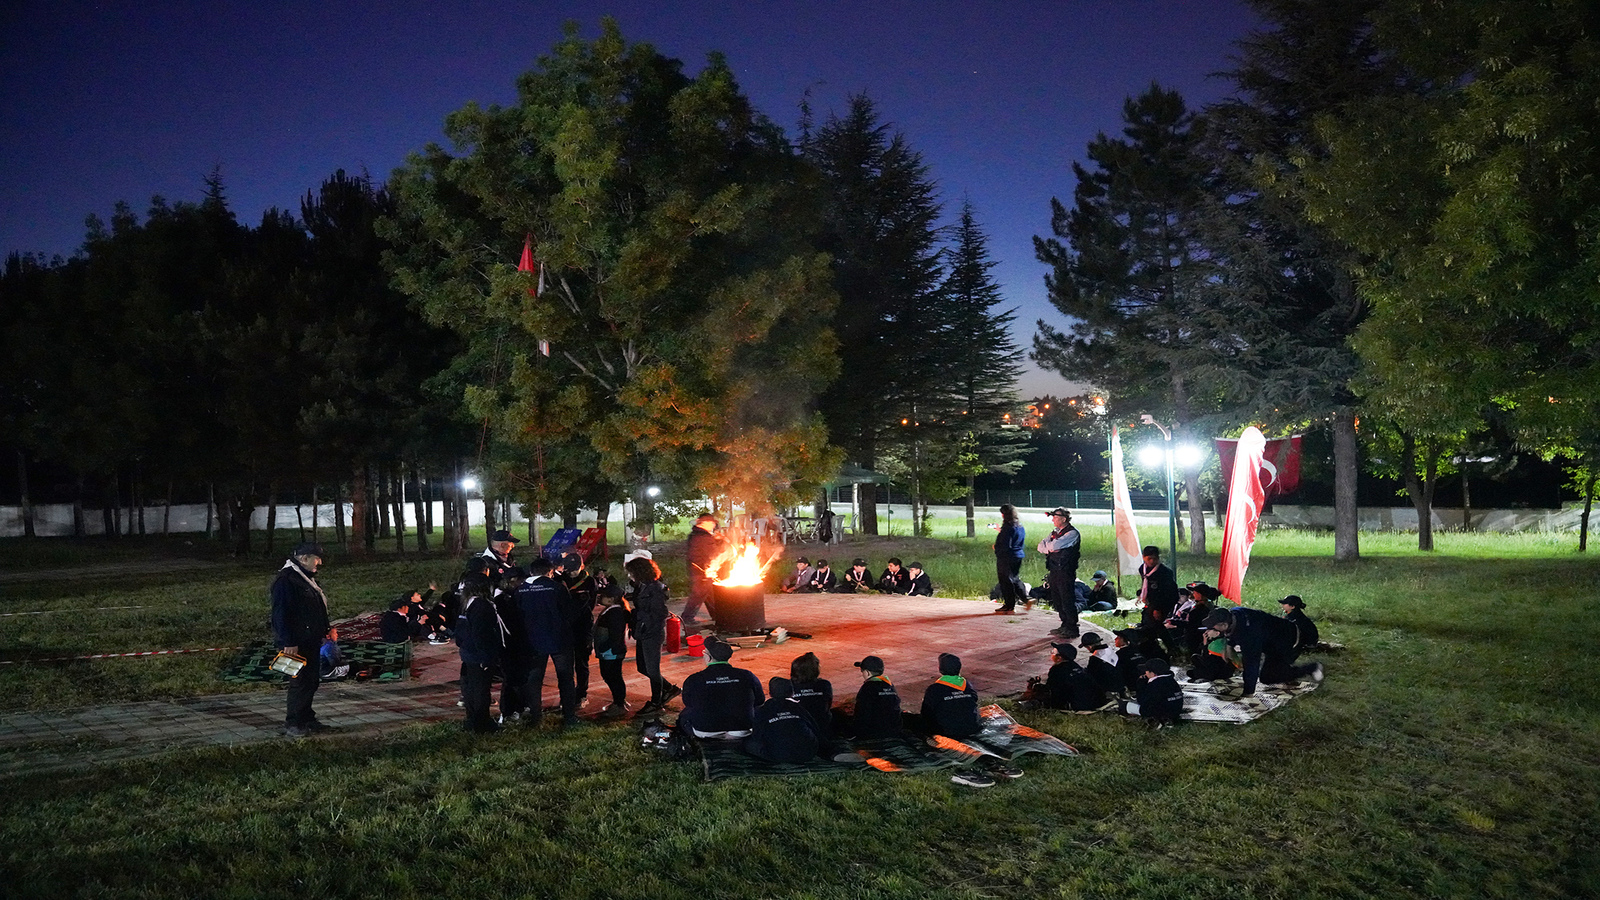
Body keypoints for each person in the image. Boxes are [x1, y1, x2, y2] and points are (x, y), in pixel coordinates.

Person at [919, 653, 1021, 788]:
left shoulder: (934, 689)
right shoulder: (967, 685)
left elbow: (926, 714)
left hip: (947, 732)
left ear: (940, 669)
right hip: (972, 727)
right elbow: (973, 701)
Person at [270, 542, 334, 738]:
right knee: (300, 682)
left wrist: (326, 629)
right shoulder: (286, 580)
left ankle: (307, 718)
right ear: (304, 558)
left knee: (311, 680)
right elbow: (281, 614)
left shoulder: (304, 578)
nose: (320, 562)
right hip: (296, 642)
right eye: (317, 558)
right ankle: (294, 722)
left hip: (310, 638)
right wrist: (288, 642)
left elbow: (314, 608)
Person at [514, 557, 580, 728]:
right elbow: (569, 613)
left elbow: (517, 616)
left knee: (534, 680)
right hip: (559, 640)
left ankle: (535, 716)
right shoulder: (557, 588)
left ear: (531, 572)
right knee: (565, 678)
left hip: (533, 642)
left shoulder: (520, 590)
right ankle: (569, 716)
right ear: (550, 572)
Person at [1202, 607, 1324, 696]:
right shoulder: (1234, 614)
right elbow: (1234, 630)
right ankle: (1287, 671)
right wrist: (1229, 645)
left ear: (1224, 625)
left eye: (1213, 626)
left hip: (1288, 641)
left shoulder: (1250, 635)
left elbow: (1251, 663)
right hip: (1272, 637)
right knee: (1270, 673)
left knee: (1268, 677)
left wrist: (1248, 693)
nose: (1210, 629)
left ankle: (1312, 668)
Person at [625, 555, 680, 716]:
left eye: (631, 572)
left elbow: (659, 612)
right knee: (642, 667)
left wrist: (643, 622)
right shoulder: (642, 586)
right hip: (643, 631)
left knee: (652, 669)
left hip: (652, 633)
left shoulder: (655, 589)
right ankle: (669, 689)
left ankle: (656, 703)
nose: (629, 575)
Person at [679, 639, 764, 738]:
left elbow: (688, 702)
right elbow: (760, 700)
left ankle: (690, 742)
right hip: (742, 729)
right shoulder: (747, 675)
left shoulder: (694, 679)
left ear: (708, 657)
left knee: (684, 715)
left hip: (705, 730)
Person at [454, 573, 504, 734]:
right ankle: (482, 724)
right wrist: (485, 656)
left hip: (468, 652)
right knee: (481, 690)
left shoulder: (466, 603)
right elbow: (481, 633)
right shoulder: (482, 606)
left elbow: (459, 631)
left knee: (472, 689)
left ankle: (472, 720)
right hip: (479, 654)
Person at [743, 677, 825, 763]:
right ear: (792, 693)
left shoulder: (762, 710)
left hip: (778, 754)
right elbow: (814, 727)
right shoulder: (798, 708)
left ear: (770, 694)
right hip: (808, 753)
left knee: (748, 743)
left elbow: (757, 735)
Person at [556, 551, 599, 707]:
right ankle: (566, 697)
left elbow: (591, 604)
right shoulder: (559, 580)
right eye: (569, 568)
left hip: (582, 627)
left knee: (581, 664)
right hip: (564, 628)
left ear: (582, 566)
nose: (572, 572)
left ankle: (581, 694)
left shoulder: (590, 581)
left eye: (575, 568)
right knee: (564, 666)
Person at [1023, 641, 1106, 712]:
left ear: (1059, 658)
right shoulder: (1075, 666)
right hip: (1095, 701)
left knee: (1039, 691)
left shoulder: (1057, 670)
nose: (1051, 654)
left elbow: (1051, 690)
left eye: (1053, 653)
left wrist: (1034, 686)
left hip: (1077, 705)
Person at [1038, 508, 1082, 637]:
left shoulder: (1072, 533)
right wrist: (1050, 547)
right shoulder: (1055, 532)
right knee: (1057, 599)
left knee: (1067, 599)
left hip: (1065, 571)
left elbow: (1053, 546)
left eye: (1055, 517)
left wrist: (1050, 547)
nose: (1053, 520)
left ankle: (1072, 628)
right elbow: (1040, 546)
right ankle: (1064, 624)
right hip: (1054, 570)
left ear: (1064, 519)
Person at [591, 586, 631, 719]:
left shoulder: (615, 613)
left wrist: (604, 647)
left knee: (612, 677)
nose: (600, 598)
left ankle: (619, 704)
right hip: (608, 651)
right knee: (612, 676)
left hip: (611, 652)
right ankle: (618, 701)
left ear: (612, 599)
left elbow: (615, 635)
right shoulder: (610, 610)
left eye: (603, 596)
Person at [781, 651, 835, 741]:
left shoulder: (788, 686)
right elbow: (827, 705)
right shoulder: (824, 685)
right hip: (821, 729)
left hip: (797, 731)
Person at [682, 514, 724, 629]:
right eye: (712, 523)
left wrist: (716, 540)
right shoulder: (703, 537)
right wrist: (720, 542)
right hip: (702, 571)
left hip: (698, 569)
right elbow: (712, 553)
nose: (714, 525)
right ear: (705, 523)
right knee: (698, 594)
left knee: (709, 594)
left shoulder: (696, 535)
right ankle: (687, 617)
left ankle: (718, 615)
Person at [848, 655, 903, 740]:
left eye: (862, 671)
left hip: (874, 733)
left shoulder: (868, 687)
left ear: (867, 673)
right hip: (893, 730)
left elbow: (862, 713)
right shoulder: (889, 685)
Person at [1125, 657, 1183, 727]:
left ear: (1153, 673)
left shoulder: (1155, 684)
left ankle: (1155, 721)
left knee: (1124, 705)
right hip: (1175, 712)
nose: (1145, 673)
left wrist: (1141, 685)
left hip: (1160, 713)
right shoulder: (1172, 681)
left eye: (1146, 671)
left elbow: (1142, 702)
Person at [1136, 546, 1180, 632]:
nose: (1152, 561)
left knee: (1154, 623)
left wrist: (1157, 609)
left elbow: (1165, 592)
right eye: (1149, 558)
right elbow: (1146, 584)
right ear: (1143, 557)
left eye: (1154, 559)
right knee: (1149, 622)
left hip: (1166, 599)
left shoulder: (1164, 572)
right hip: (1152, 599)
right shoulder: (1143, 569)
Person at [993, 504, 1027, 613]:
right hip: (1018, 555)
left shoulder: (1007, 527)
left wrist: (996, 548)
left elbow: (1006, 544)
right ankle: (1026, 599)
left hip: (1006, 557)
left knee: (1005, 581)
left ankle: (1009, 605)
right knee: (1014, 578)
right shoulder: (1019, 526)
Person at [1080, 632, 1125, 698]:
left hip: (1108, 688)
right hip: (1121, 684)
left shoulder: (1095, 658)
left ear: (1090, 647)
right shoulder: (1110, 651)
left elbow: (1091, 674)